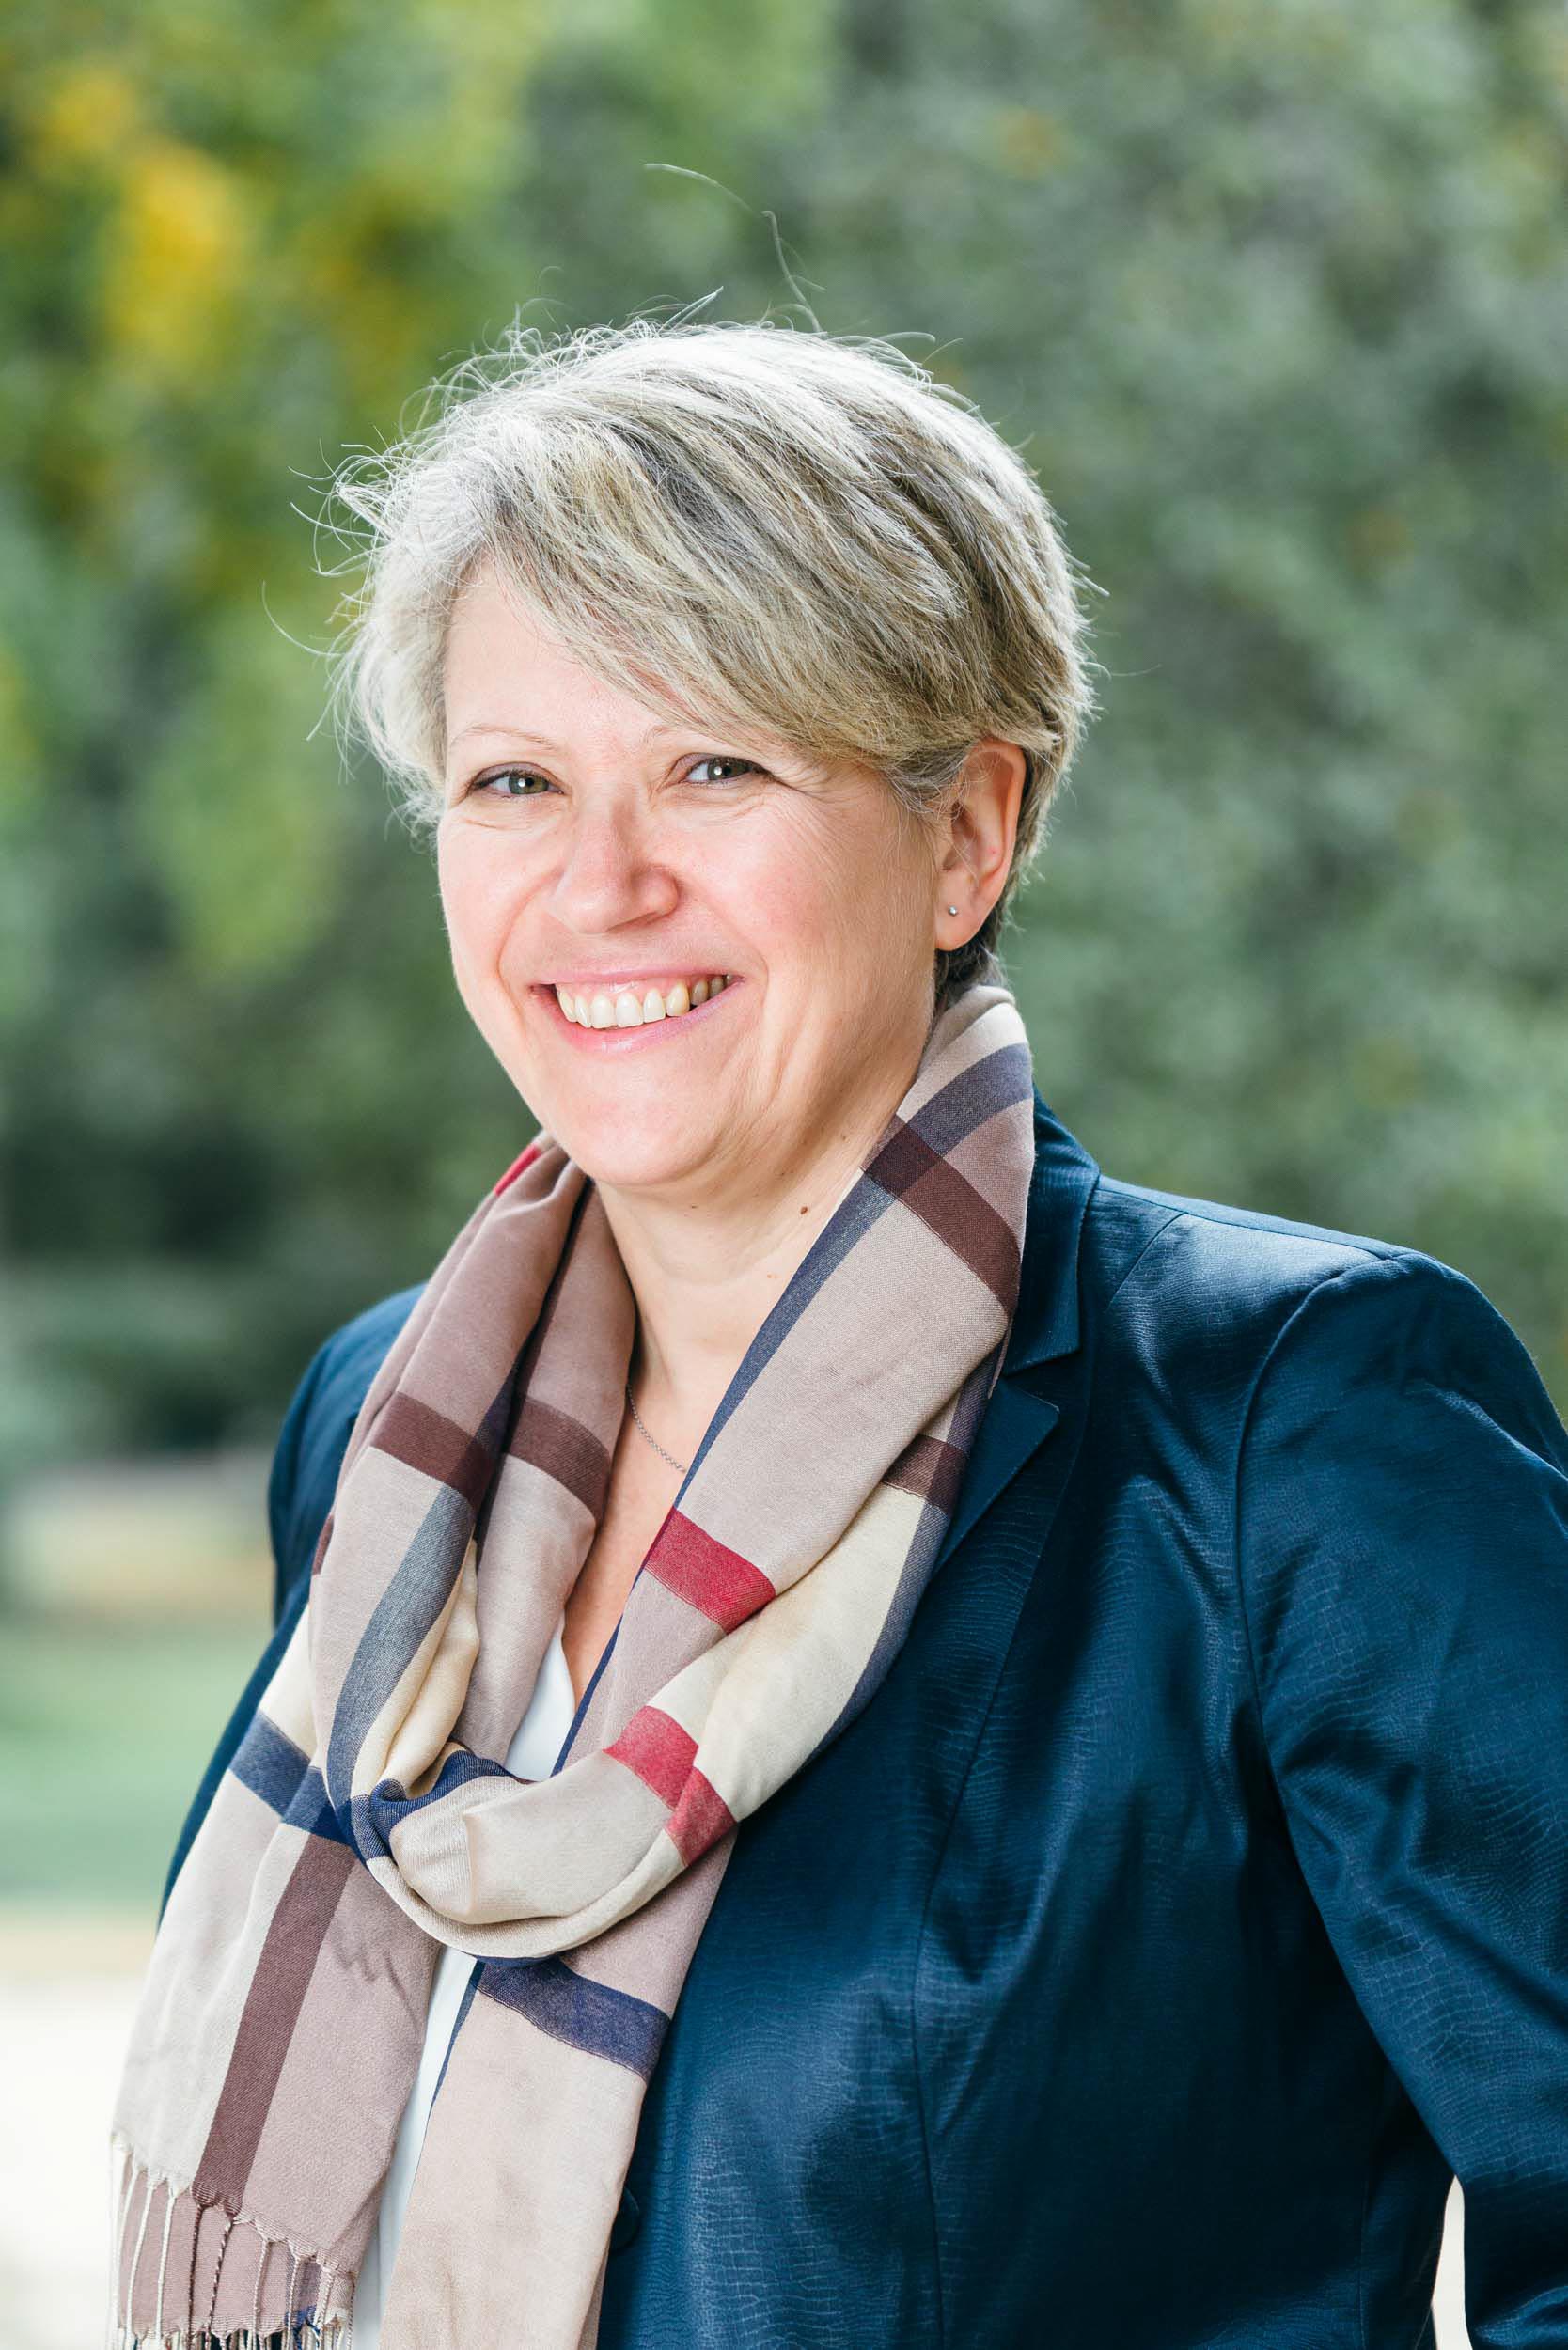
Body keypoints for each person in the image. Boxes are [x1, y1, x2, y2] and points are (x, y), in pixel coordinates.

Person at [110, 318, 1568, 2350]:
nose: (599, 883)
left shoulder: (1291, 1425)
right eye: (514, 778)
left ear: (968, 827)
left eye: (716, 761)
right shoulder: (383, 1424)